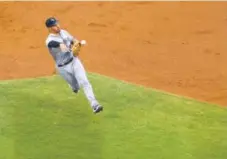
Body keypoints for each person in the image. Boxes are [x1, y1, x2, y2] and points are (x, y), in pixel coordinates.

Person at [45, 17, 103, 114]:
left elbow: (73, 40)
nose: (57, 26)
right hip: (62, 67)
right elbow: (51, 44)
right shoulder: (49, 40)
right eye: (54, 25)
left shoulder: (64, 32)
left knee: (84, 82)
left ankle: (94, 104)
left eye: (57, 23)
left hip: (74, 61)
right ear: (50, 28)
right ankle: (74, 87)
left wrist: (76, 43)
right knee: (76, 87)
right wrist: (60, 44)